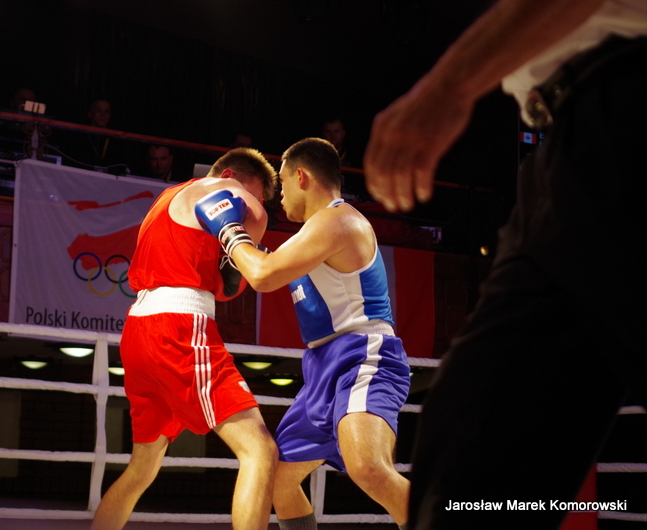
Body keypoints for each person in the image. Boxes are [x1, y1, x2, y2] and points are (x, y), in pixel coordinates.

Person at [362, 1, 647, 529]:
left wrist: (447, 87)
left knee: (470, 445)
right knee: (467, 453)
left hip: (626, 106)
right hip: (570, 140)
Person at [196, 137, 411, 529]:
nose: (279, 195)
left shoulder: (338, 220)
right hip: (322, 367)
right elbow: (263, 267)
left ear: (301, 176)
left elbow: (262, 276)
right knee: (278, 480)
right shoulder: (310, 236)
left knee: (368, 468)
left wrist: (228, 229)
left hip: (363, 355)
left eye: (282, 182)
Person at [91, 147, 279, 530]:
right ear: (229, 176)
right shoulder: (224, 190)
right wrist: (249, 240)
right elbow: (252, 232)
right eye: (255, 193)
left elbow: (219, 282)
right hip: (179, 328)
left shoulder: (167, 197)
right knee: (260, 450)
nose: (254, 202)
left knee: (141, 469)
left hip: (138, 328)